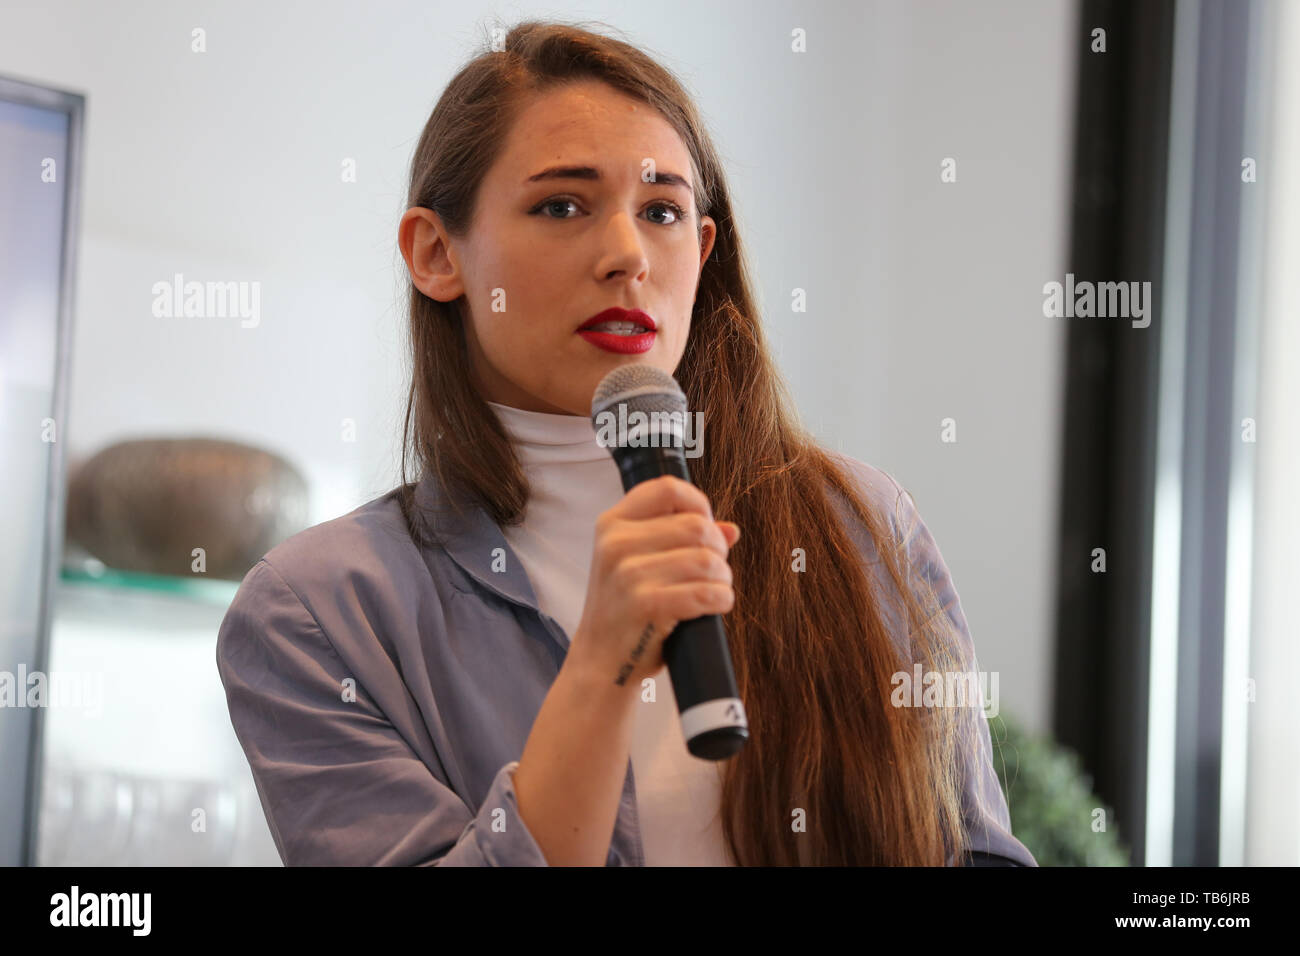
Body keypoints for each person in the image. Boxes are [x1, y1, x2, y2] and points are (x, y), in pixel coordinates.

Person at [215, 19, 1037, 867]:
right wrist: (601, 666)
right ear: (436, 254)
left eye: (662, 212)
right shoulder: (317, 612)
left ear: (704, 252)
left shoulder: (861, 523)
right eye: (561, 206)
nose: (626, 254)